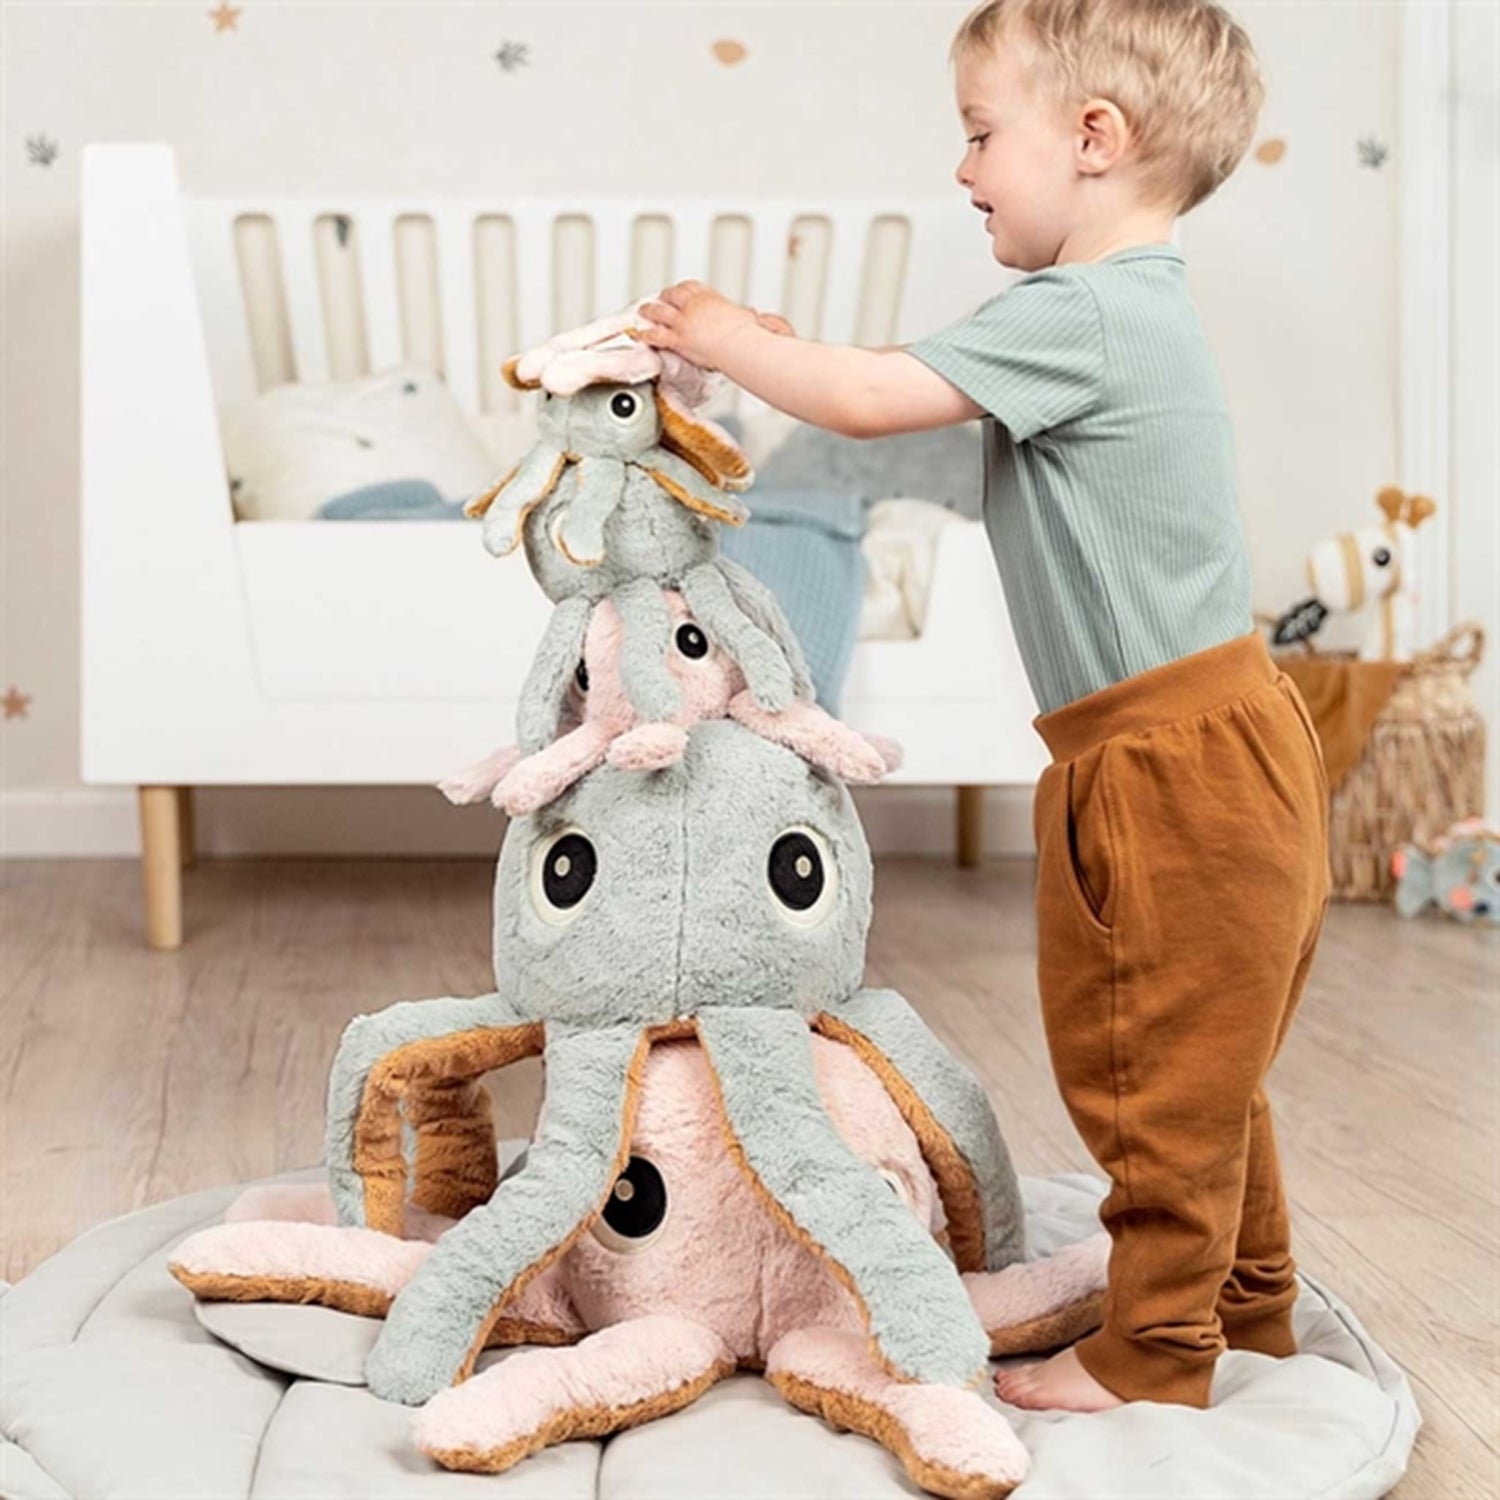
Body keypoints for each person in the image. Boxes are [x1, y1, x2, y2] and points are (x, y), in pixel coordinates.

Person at [639, 0, 1329, 1413]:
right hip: (1220, 738)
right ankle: (1243, 1304)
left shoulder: (1082, 310)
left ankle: (1155, 1354)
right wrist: (781, 354)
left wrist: (722, 332)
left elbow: (867, 399)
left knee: (1143, 1066)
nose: (962, 170)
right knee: (1206, 1061)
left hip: (1163, 763)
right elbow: (882, 392)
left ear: (1094, 138)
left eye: (979, 134)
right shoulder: (1127, 315)